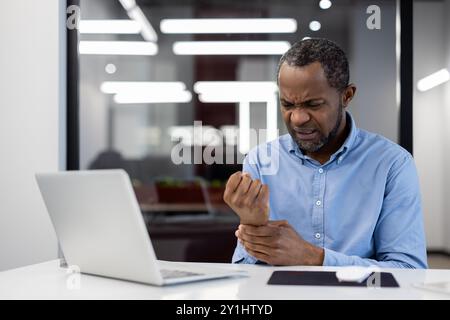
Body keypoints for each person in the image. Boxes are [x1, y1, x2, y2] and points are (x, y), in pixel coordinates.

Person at [223, 38, 427, 268]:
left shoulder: (392, 164)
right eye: (288, 105)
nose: (298, 118)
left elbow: (409, 271)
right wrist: (254, 227)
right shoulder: (261, 161)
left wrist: (313, 258)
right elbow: (244, 270)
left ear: (347, 96)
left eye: (313, 104)